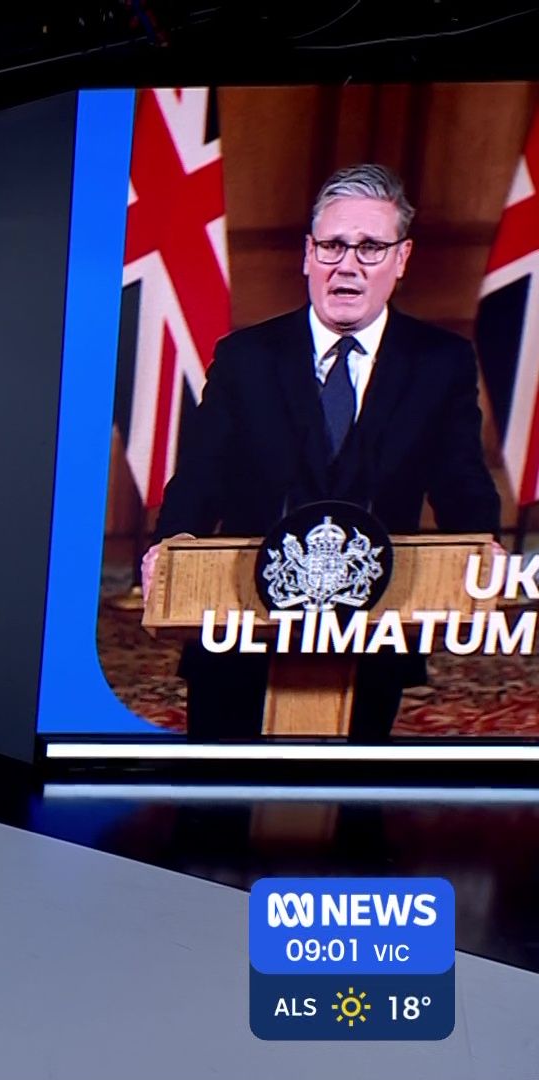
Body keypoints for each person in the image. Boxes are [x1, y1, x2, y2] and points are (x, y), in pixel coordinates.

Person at [141, 164, 501, 741]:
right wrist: (174, 542)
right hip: (237, 624)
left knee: (348, 792)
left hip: (374, 623)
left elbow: (461, 480)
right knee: (219, 792)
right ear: (309, 254)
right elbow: (202, 474)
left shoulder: (440, 362)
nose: (348, 265)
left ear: (401, 259)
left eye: (371, 247)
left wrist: (481, 545)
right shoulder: (245, 357)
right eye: (333, 245)